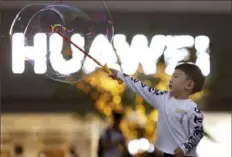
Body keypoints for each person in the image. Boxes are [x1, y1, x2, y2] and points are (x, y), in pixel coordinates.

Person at [107, 63, 205, 157]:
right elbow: (141, 87)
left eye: (176, 77)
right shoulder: (162, 98)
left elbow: (198, 133)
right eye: (172, 76)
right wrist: (120, 75)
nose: (171, 80)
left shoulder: (193, 109)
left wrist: (184, 148)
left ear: (188, 85)